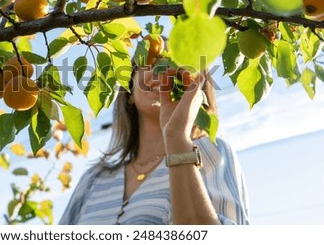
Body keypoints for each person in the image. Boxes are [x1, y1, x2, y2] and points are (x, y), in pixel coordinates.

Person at [59, 62, 250, 225]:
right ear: (130, 92)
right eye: (152, 61)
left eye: (175, 63)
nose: (163, 71)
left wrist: (177, 138)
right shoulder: (94, 179)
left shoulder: (212, 153)